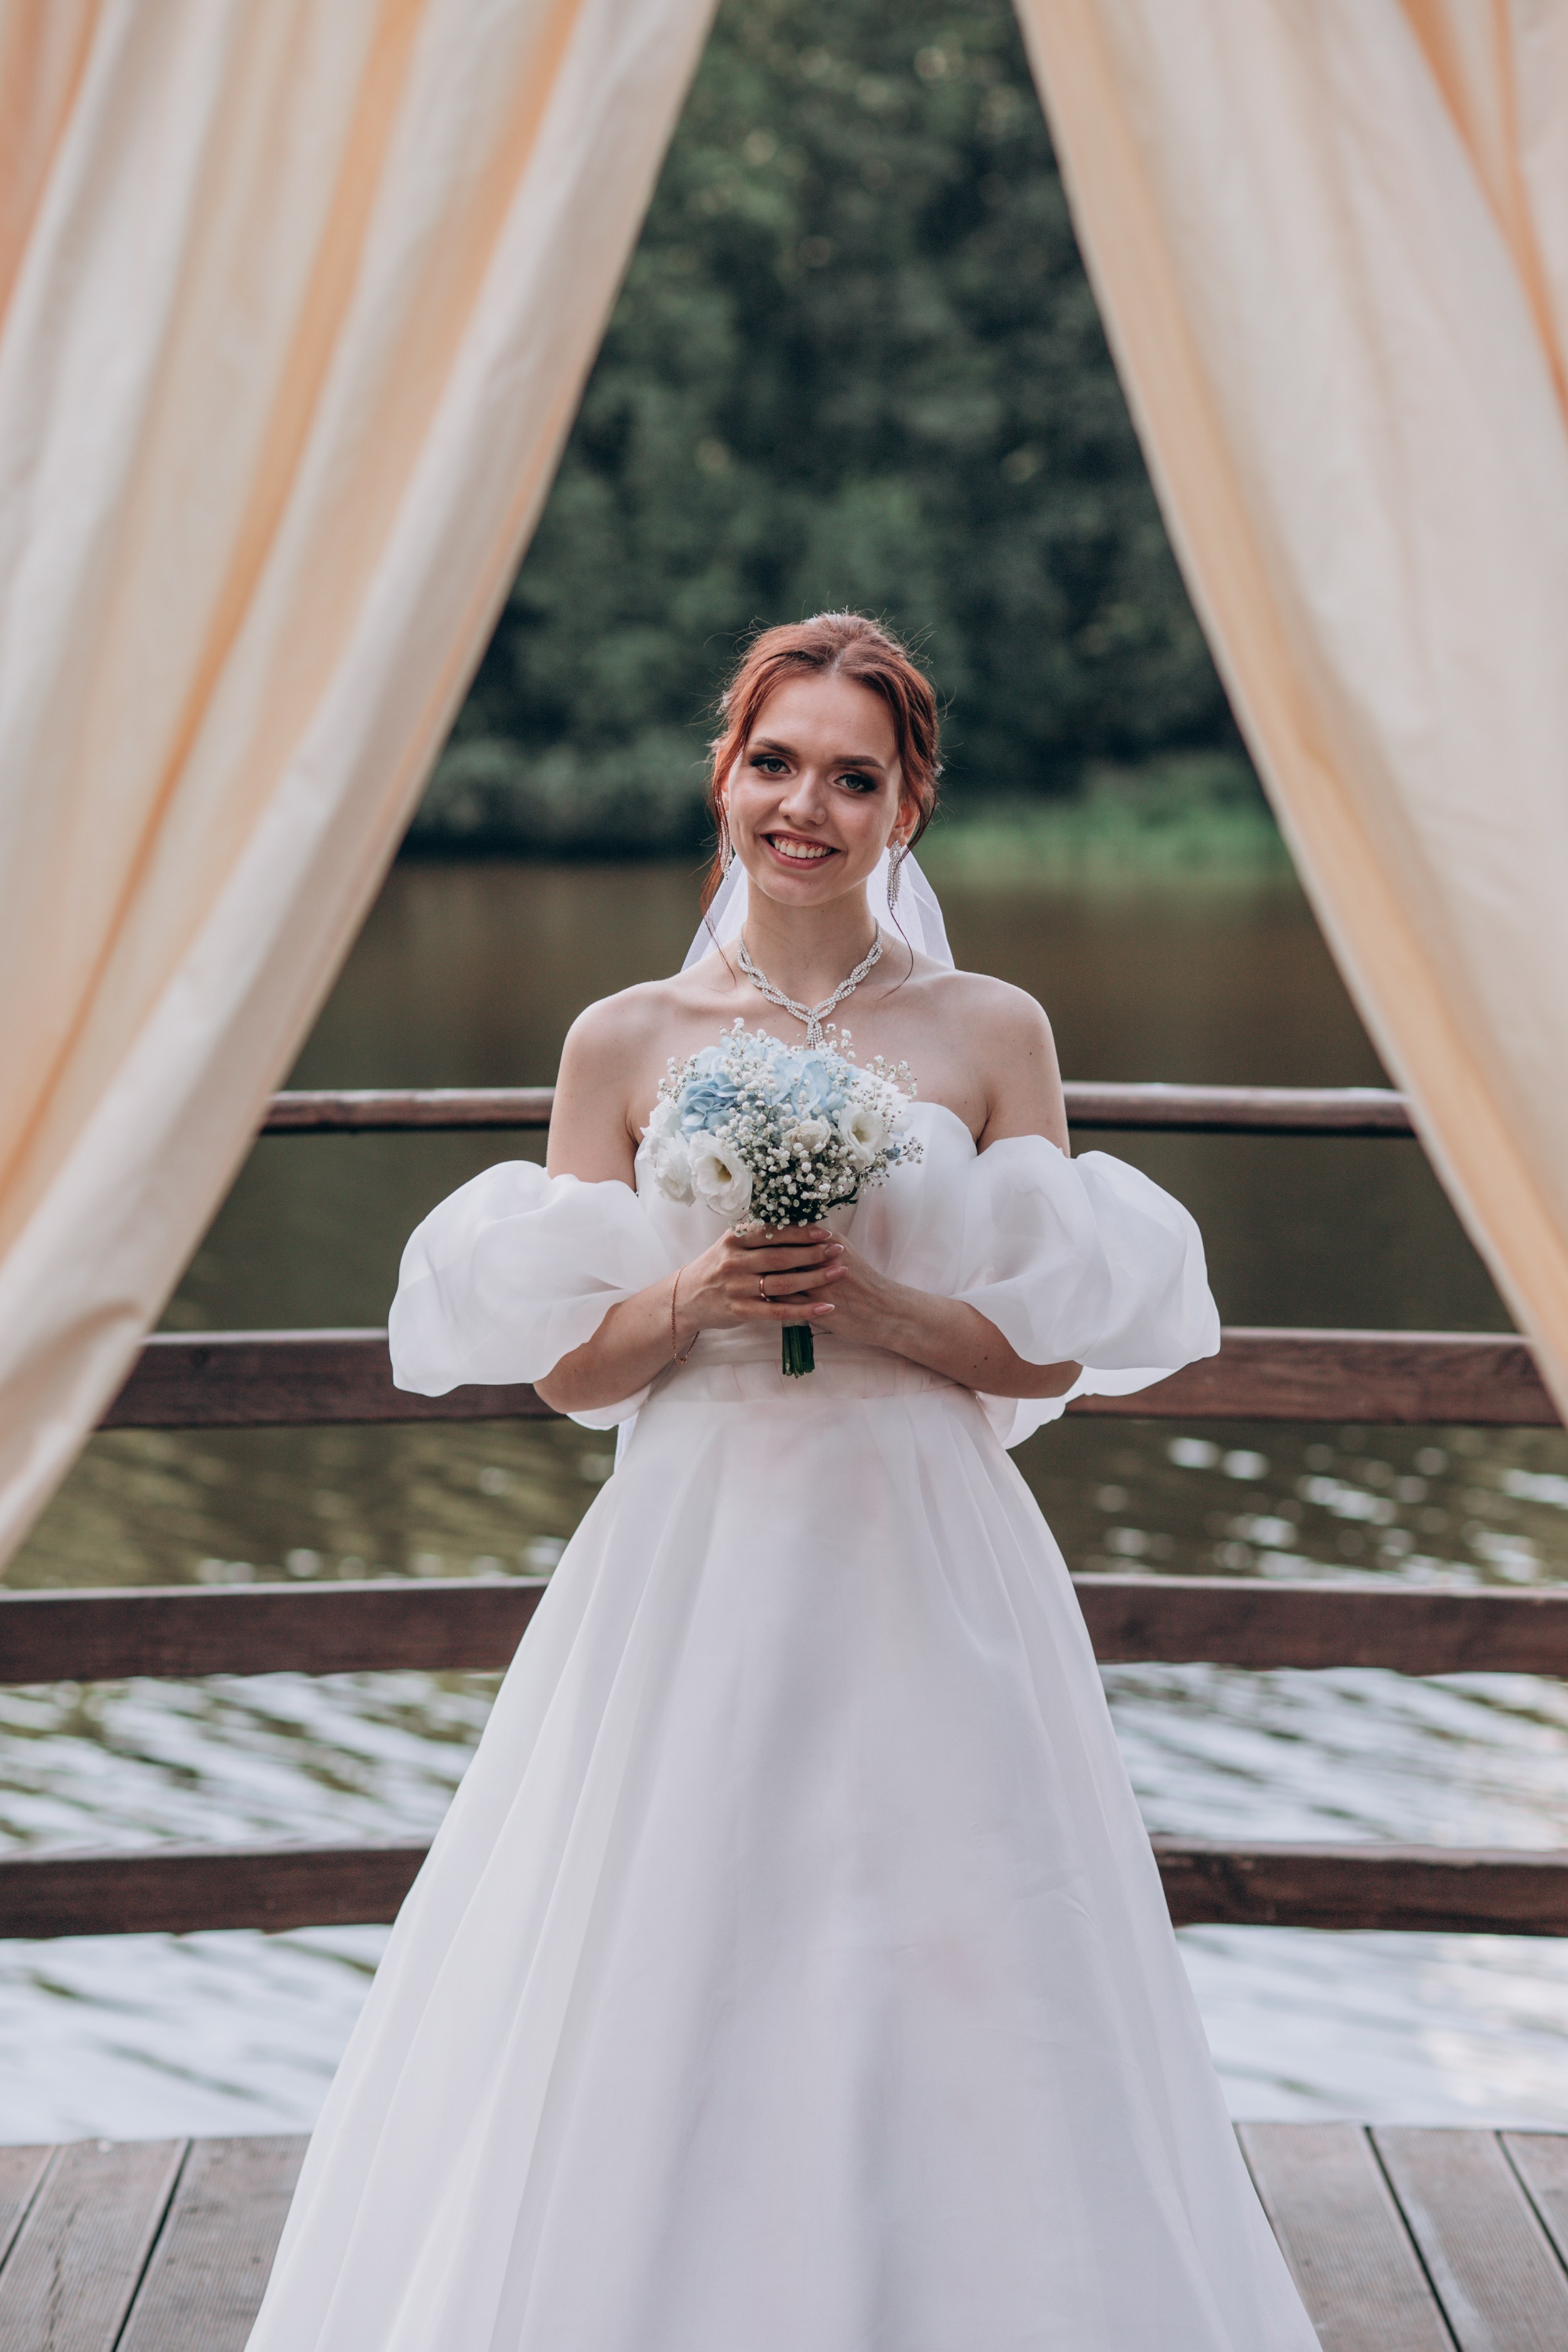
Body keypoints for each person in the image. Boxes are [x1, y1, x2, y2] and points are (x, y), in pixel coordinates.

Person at [246, 613, 1317, 2350]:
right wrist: (689, 1296)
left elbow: (1044, 1354)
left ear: (910, 811)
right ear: (722, 773)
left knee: (946, 1926)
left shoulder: (988, 1029)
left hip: (919, 1543)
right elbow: (568, 1370)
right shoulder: (620, 1038)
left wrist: (883, 1308)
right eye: (773, 762)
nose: (801, 806)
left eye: (850, 777)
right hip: (695, 1539)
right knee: (668, 1920)